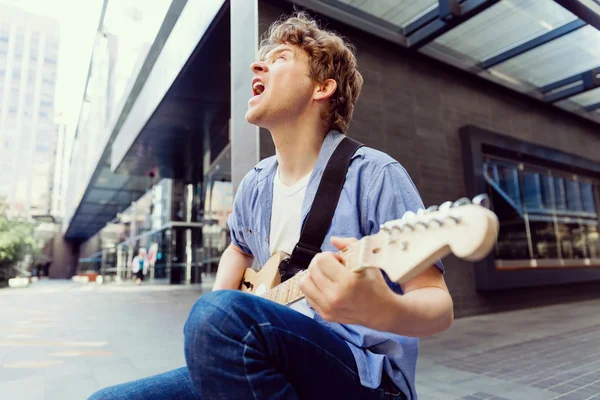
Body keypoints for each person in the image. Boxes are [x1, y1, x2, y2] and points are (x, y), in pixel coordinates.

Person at [89, 11, 453, 400]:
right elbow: (238, 247)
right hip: (268, 356)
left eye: (281, 58)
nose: (257, 64)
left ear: (322, 88)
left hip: (365, 376)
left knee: (220, 316)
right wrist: (220, 300)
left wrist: (380, 308)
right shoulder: (255, 185)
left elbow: (438, 304)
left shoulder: (377, 175)